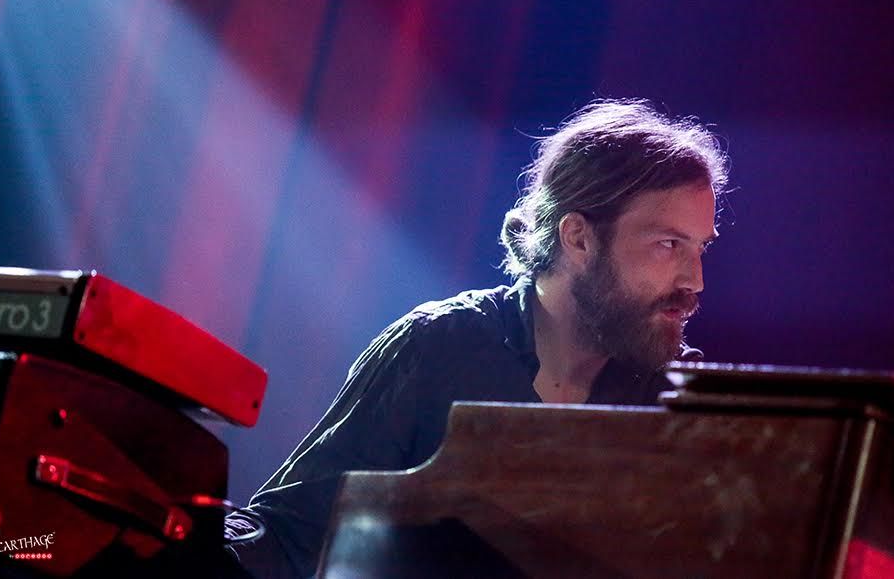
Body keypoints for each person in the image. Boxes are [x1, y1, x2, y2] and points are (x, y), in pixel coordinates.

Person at [230, 98, 729, 578]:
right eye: (668, 244)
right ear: (578, 237)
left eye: (700, 248)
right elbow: (292, 539)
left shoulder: (673, 400)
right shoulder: (438, 347)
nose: (696, 280)